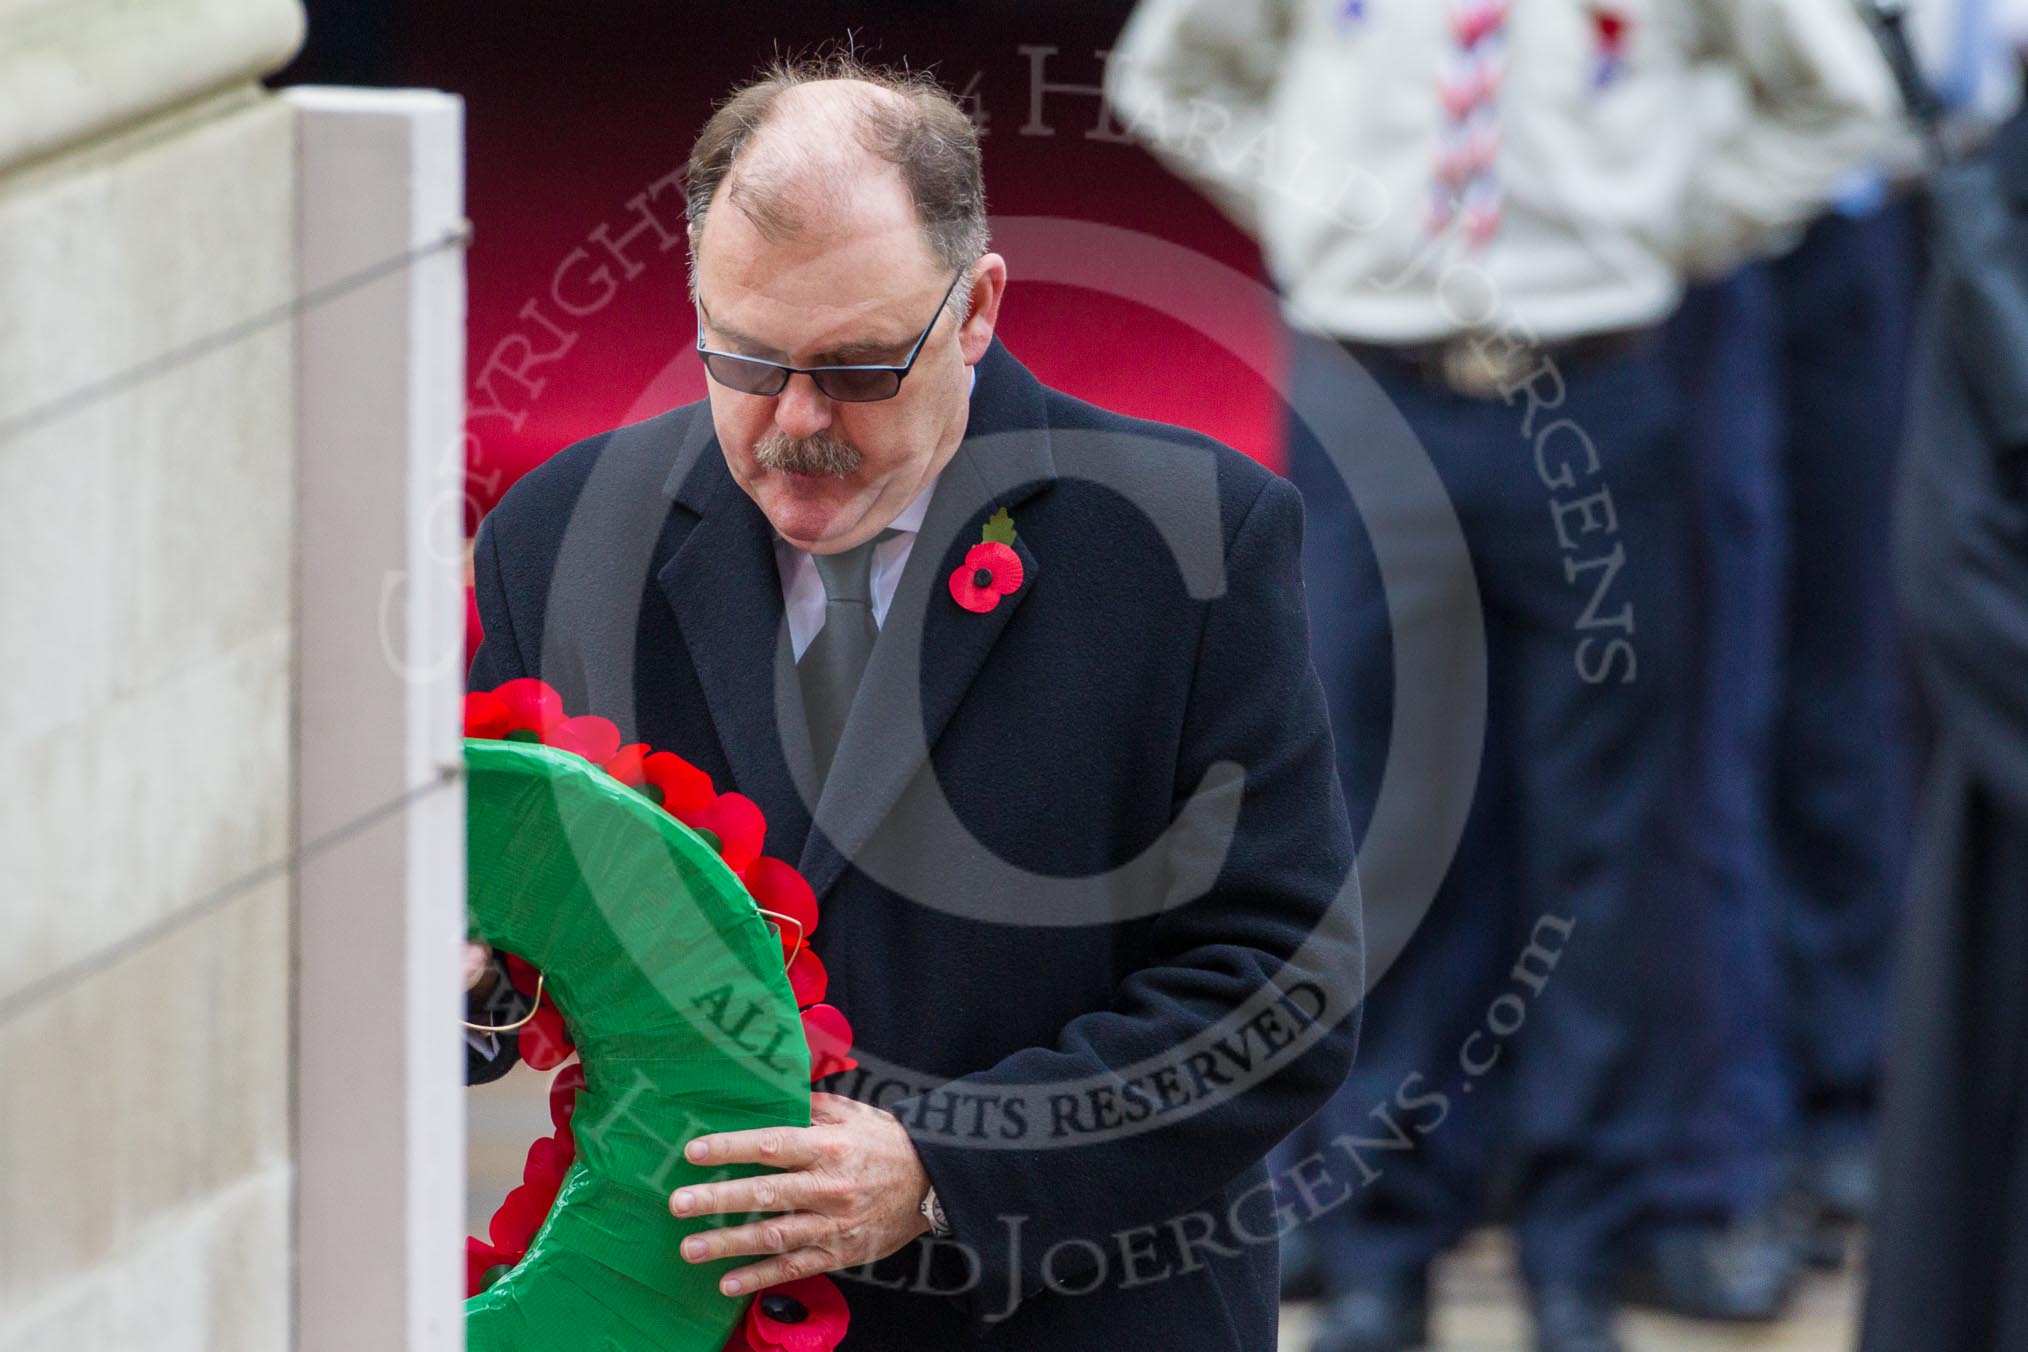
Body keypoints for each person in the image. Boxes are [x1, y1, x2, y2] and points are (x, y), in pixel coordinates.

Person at [462, 54, 1363, 1352]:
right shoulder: (558, 540)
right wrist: (466, 979)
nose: (796, 423)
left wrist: (946, 1170)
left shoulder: (1194, 544)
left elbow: (1282, 984)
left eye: (861, 368)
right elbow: (507, 922)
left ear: (978, 309)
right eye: (747, 358)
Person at [1107, 5, 1898, 1350]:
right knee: (1376, 816)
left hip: (1596, 385)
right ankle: (1376, 1231)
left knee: (1610, 832)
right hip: (1376, 381)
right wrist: (1315, 212)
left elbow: (1840, 99)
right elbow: (1166, 72)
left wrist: (1667, 217)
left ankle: (1582, 1234)